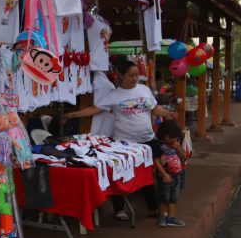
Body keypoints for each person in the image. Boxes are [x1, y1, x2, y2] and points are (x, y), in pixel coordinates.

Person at [63, 58, 177, 220]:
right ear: (121, 76)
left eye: (137, 75)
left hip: (148, 141)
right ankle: (119, 209)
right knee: (120, 175)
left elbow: (154, 108)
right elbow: (95, 109)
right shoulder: (114, 95)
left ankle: (153, 208)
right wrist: (71, 115)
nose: (135, 78)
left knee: (147, 175)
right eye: (131, 75)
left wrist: (167, 113)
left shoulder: (144, 89)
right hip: (124, 144)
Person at [154, 119, 187, 228]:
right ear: (166, 136)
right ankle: (161, 218)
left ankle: (171, 218)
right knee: (164, 198)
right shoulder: (159, 146)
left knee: (173, 198)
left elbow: (183, 157)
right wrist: (164, 174)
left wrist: (178, 149)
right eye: (174, 137)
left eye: (177, 137)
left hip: (177, 175)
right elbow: (156, 162)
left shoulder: (176, 144)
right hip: (165, 176)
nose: (176, 139)